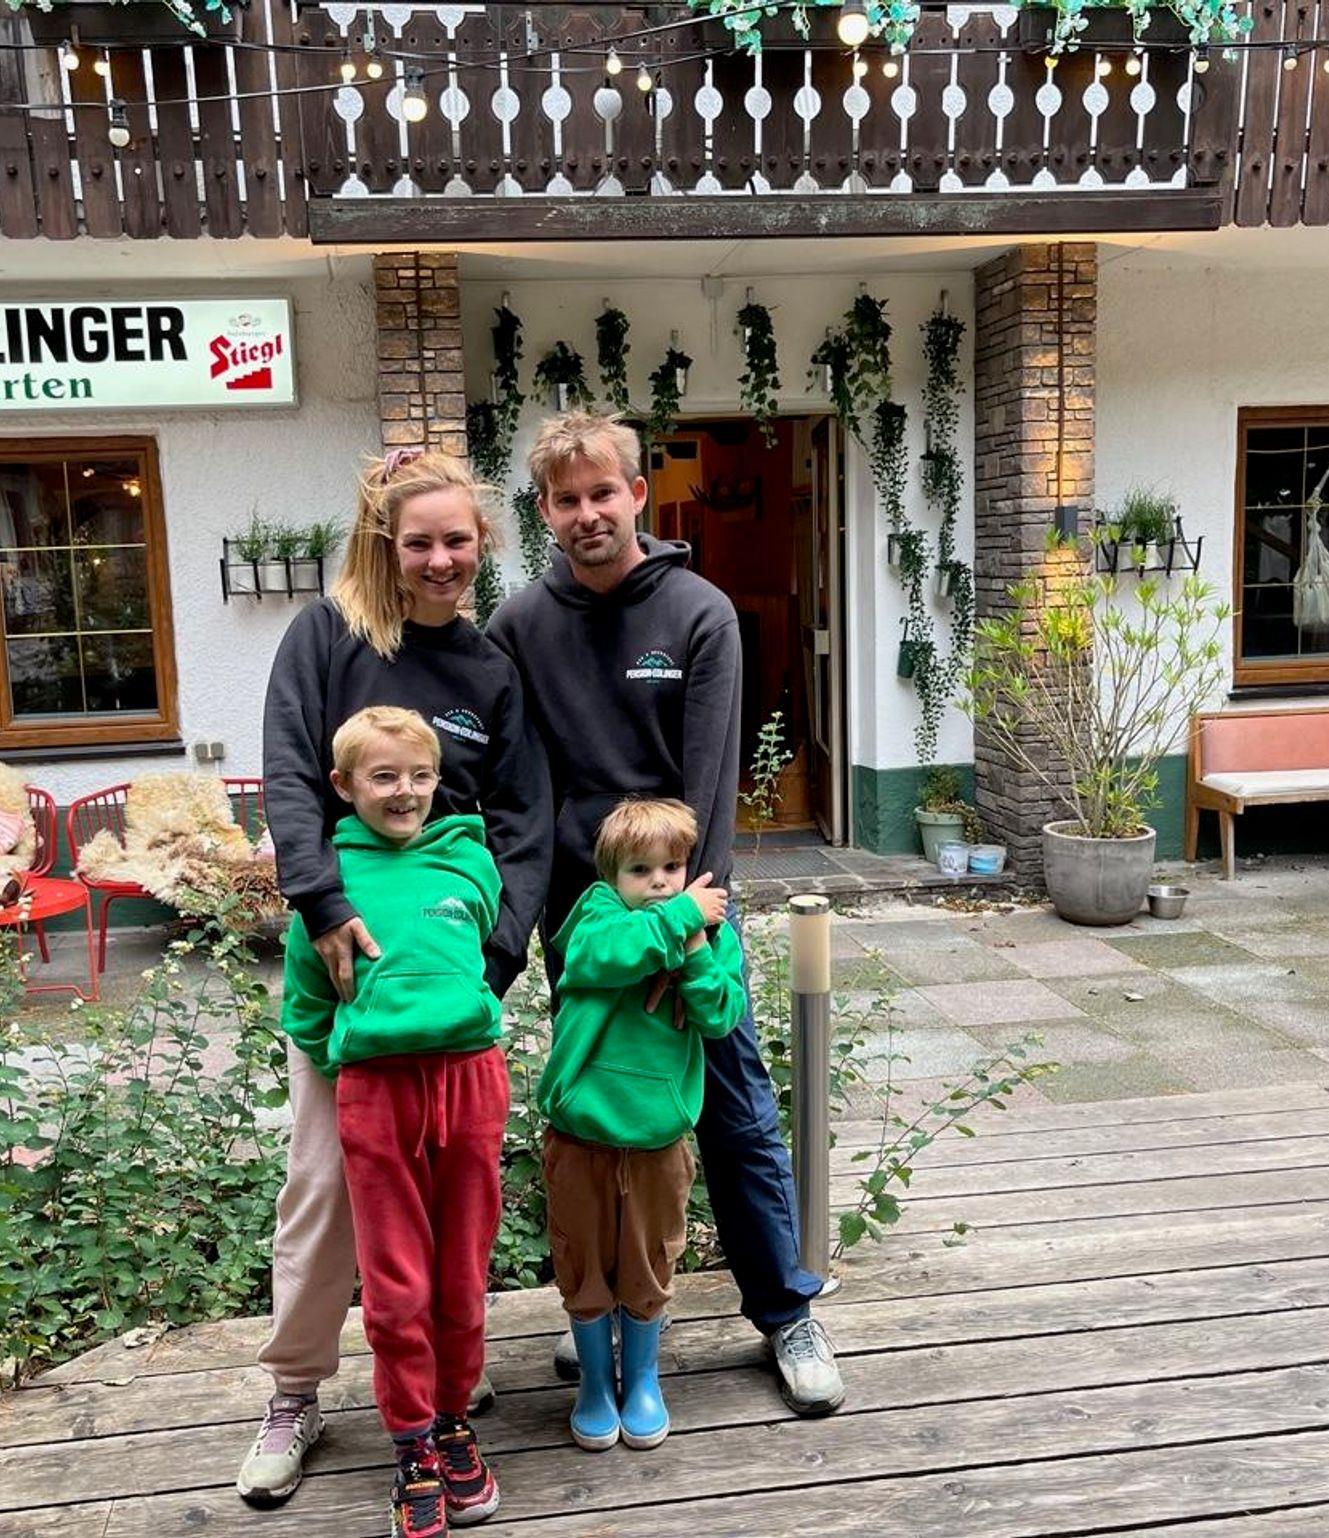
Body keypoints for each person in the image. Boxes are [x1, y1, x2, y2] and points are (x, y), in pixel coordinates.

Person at [486, 409, 846, 1417]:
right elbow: (523, 790)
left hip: (688, 911)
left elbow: (711, 789)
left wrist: (690, 925)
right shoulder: (518, 626)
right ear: (545, 511)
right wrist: (536, 927)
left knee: (732, 1108)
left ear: (637, 494)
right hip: (589, 926)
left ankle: (784, 1310)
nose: (588, 513)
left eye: (604, 491)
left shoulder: (698, 613)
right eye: (566, 499)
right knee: (596, 1123)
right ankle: (603, 1317)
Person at [240, 451, 550, 1509]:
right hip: (347, 982)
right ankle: (294, 1390)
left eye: (458, 540)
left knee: (452, 1208)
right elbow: (290, 772)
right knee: (326, 1186)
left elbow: (524, 817)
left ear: (482, 543)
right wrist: (322, 903)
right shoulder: (328, 637)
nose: (440, 559)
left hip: (450, 993)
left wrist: (496, 955)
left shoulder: (486, 665)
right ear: (386, 544)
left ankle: (442, 1389)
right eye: (419, 541)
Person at [278, 706, 510, 1538]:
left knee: (462, 1271)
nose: (404, 791)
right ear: (344, 787)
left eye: (419, 775)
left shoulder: (469, 862)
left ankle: (452, 1420)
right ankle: (411, 1443)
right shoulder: (329, 880)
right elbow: (307, 1007)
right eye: (383, 777)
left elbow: (478, 954)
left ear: (439, 779)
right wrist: (359, 1053)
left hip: (470, 1081)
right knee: (396, 1280)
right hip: (377, 1093)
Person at [542, 798, 743, 1451]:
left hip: (658, 1138)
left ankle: (643, 1380)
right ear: (611, 876)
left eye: (672, 868)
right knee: (583, 1262)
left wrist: (694, 949)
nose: (659, 882)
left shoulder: (705, 935)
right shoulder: (596, 917)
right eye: (640, 870)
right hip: (581, 1134)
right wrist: (679, 919)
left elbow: (720, 1014)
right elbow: (603, 957)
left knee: (650, 1261)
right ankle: (596, 1385)